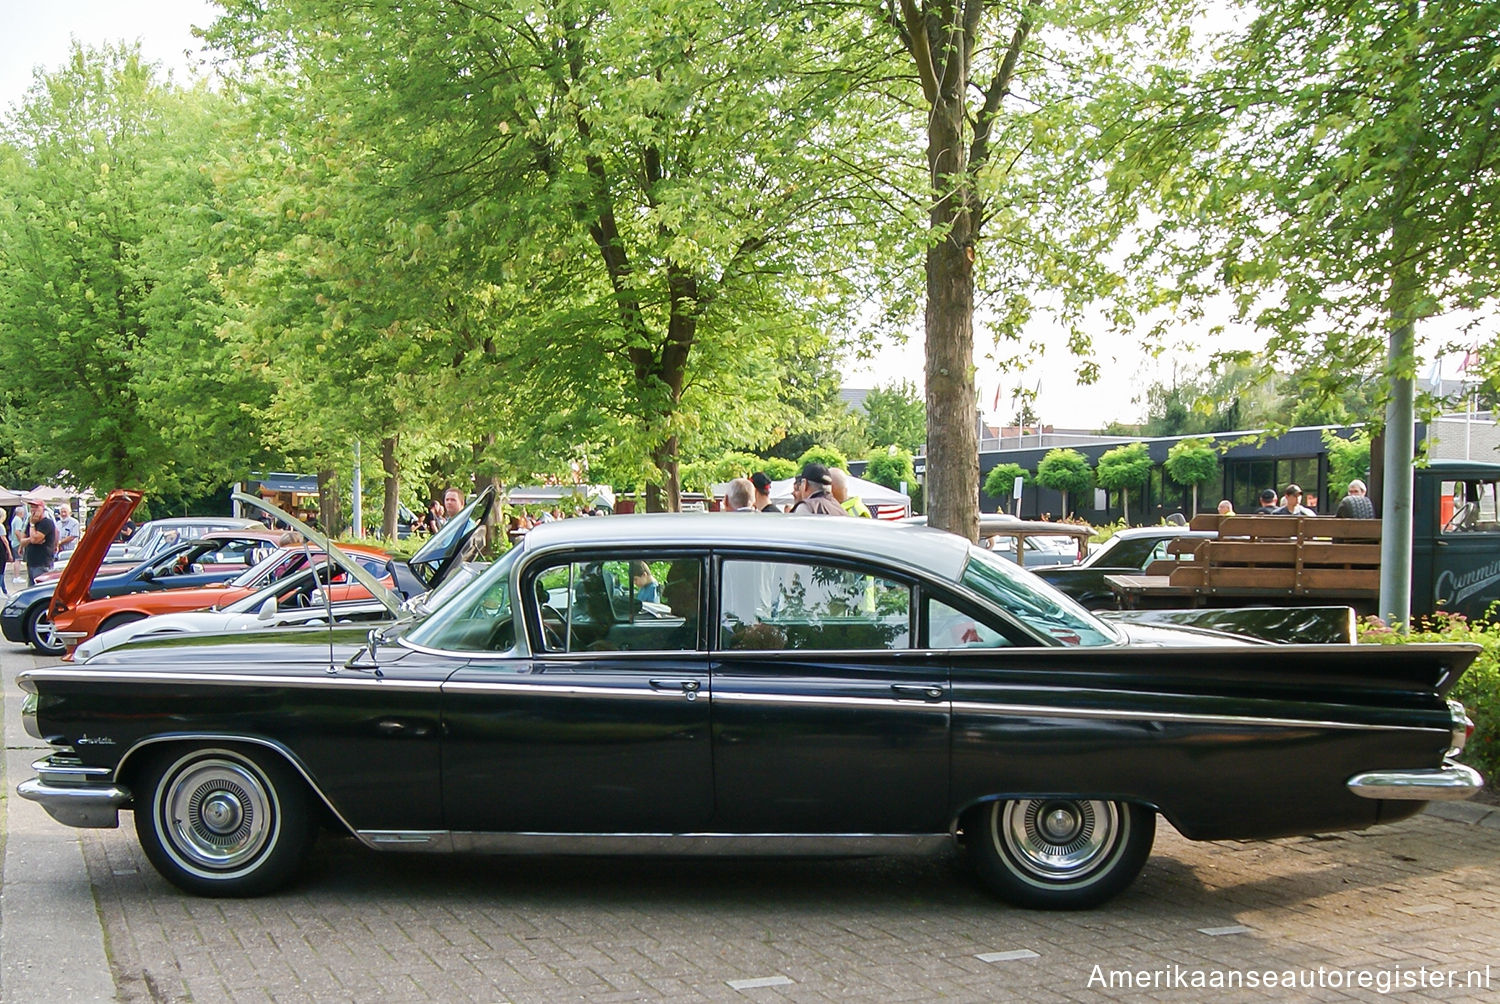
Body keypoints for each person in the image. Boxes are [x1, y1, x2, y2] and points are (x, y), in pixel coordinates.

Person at [23, 498, 57, 586]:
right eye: (32, 507)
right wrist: (31, 538)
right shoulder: (30, 524)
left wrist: (33, 526)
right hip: (31, 562)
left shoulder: (46, 523)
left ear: (42, 509)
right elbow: (22, 541)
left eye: (36, 507)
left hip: (42, 563)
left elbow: (35, 539)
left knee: (40, 589)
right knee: (31, 589)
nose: (33, 510)